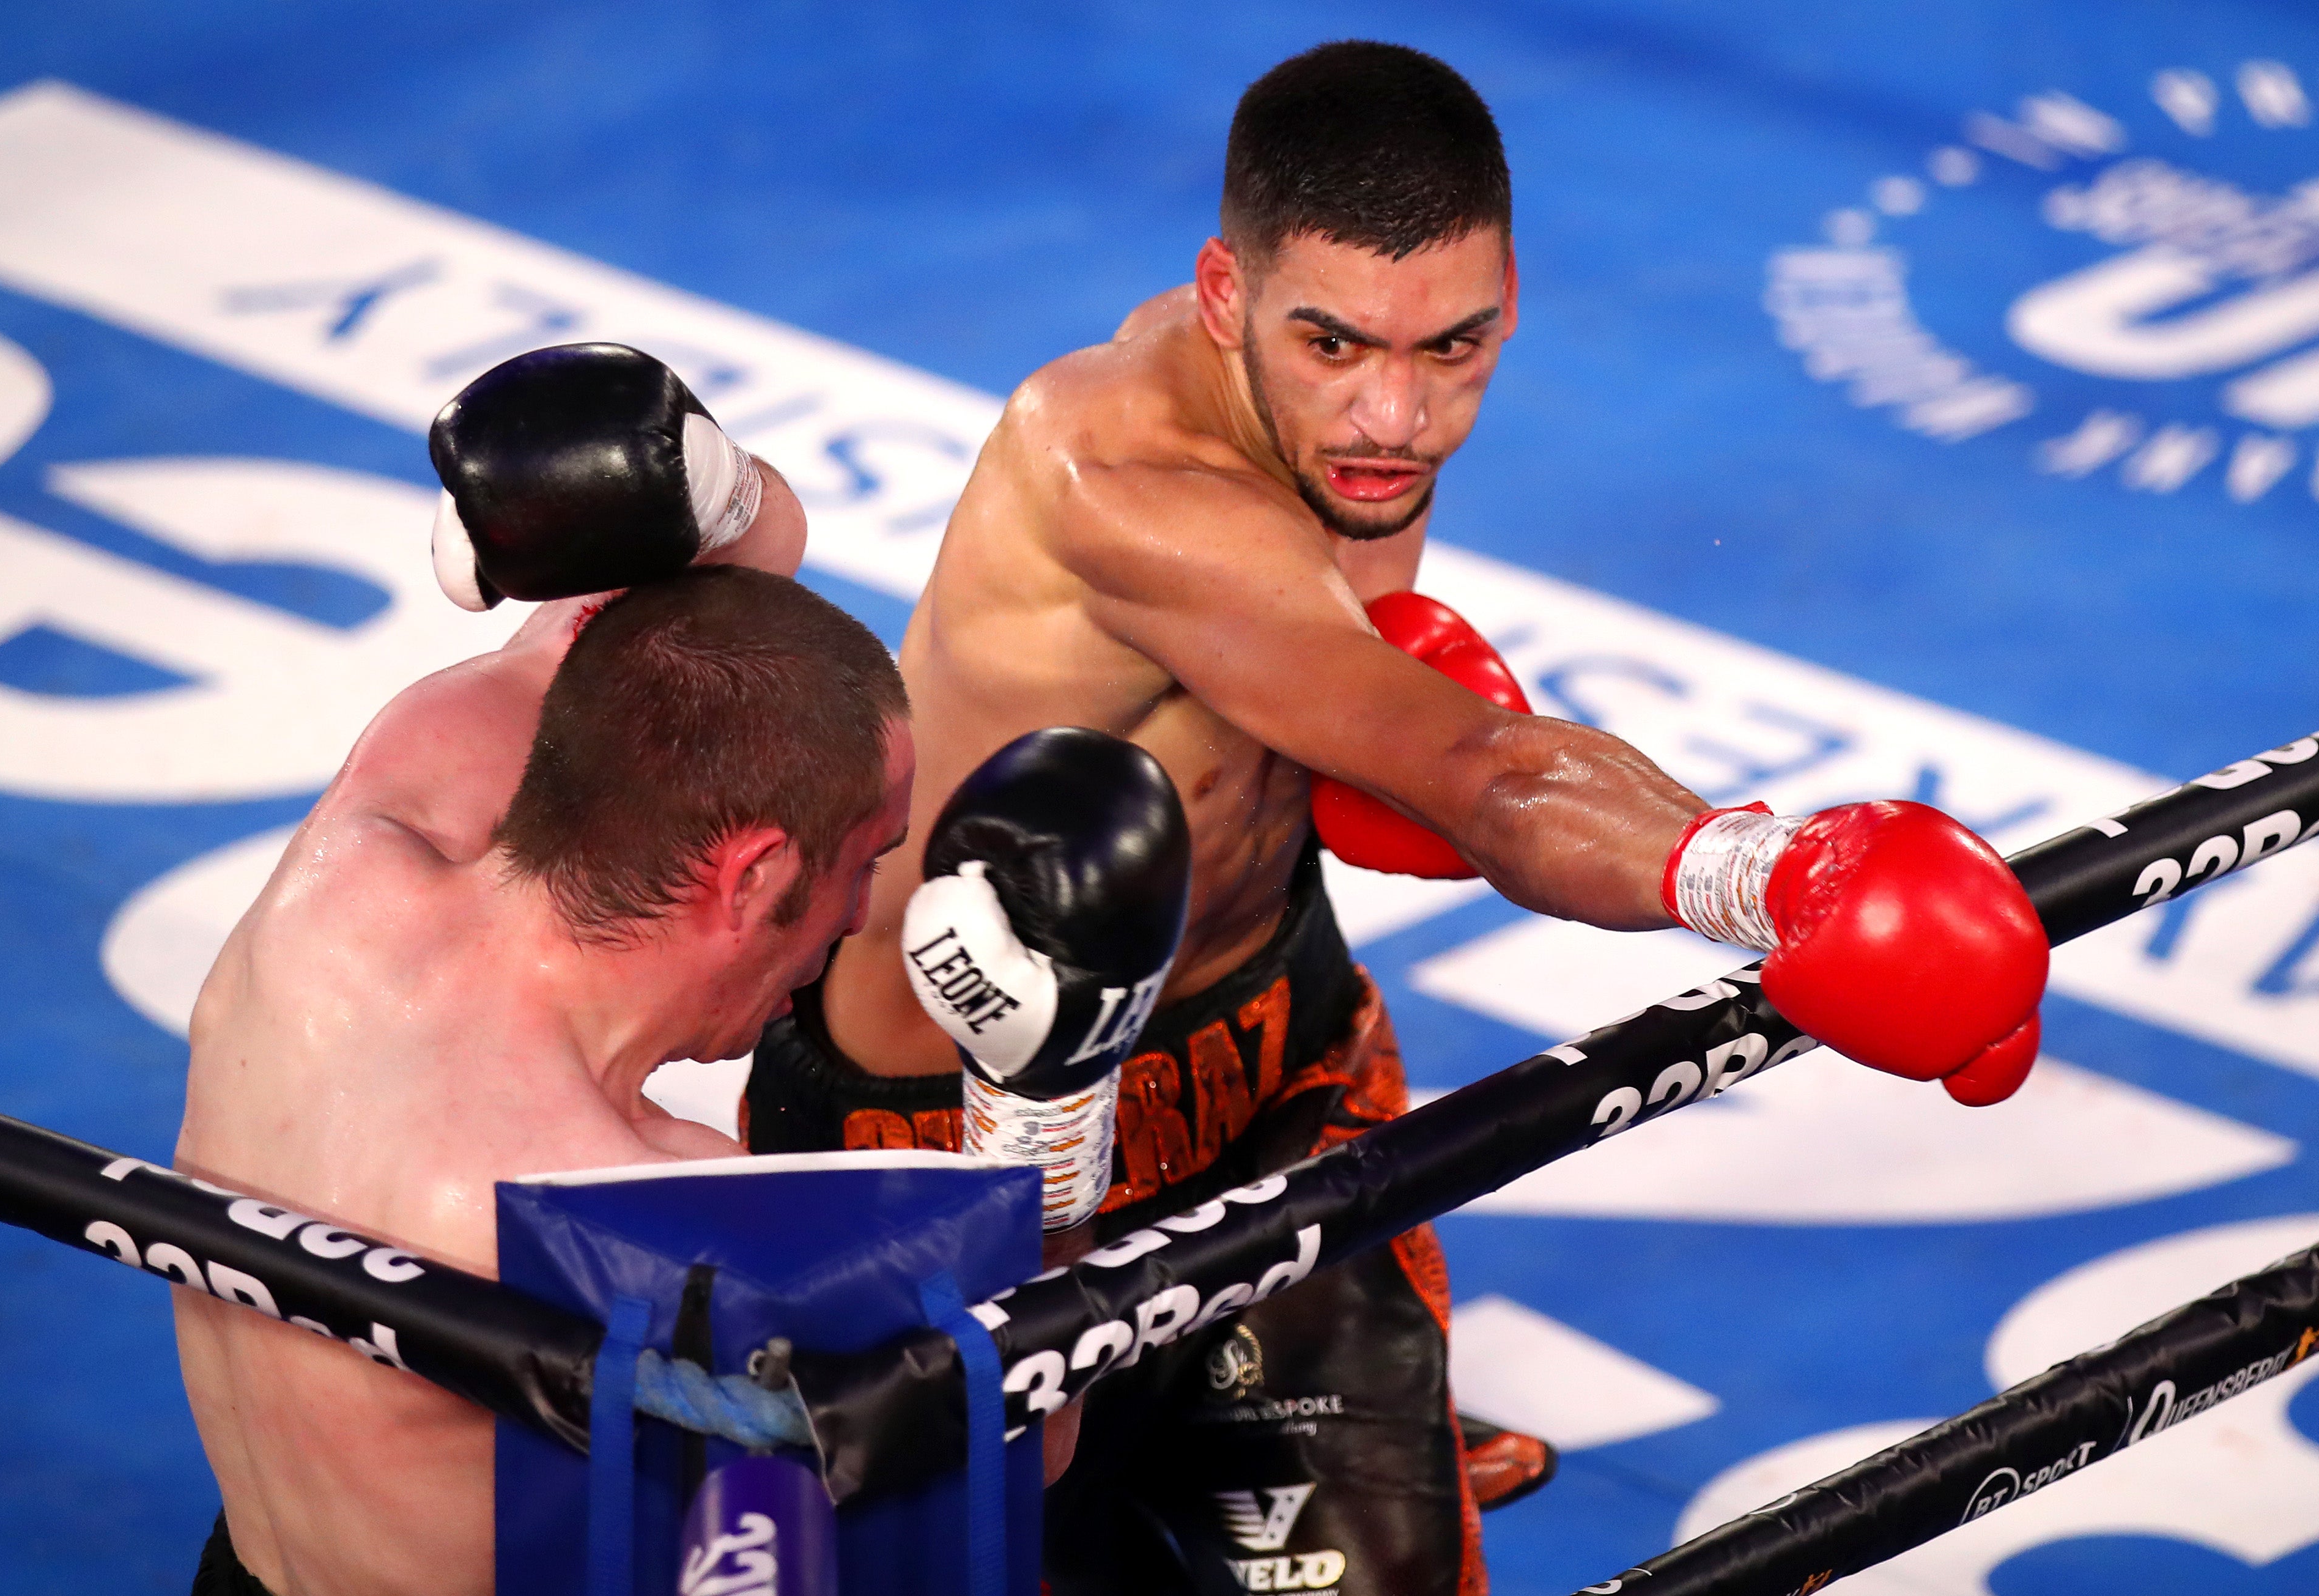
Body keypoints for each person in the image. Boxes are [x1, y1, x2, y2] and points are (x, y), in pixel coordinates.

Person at [743, 39, 2047, 1596]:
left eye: (1457, 349)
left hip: (1272, 1054)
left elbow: (1385, 716)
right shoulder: (1122, 476)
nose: (1399, 415)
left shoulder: (1349, 420)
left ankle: (1269, 1415)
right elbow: (1481, 775)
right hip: (956, 1145)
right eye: (1337, 343)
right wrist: (1784, 880)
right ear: (1227, 295)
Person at [172, 346, 914, 1596]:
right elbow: (1021, 1436)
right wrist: (1056, 1091)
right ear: (751, 876)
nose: (859, 915)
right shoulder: (628, 1211)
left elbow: (687, 631)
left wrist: (706, 495)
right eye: (863, 863)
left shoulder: (378, 831)